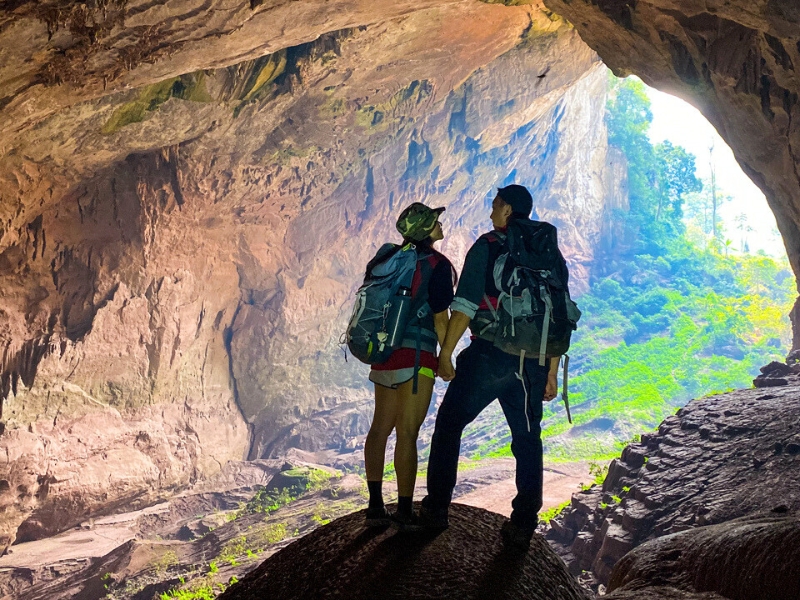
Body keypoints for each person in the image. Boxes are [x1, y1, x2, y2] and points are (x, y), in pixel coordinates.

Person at [420, 184, 561, 550]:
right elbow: (558, 315)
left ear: (509, 210)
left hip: (490, 355)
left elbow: (465, 305)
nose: (491, 211)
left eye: (496, 205)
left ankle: (435, 511)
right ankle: (524, 522)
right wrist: (550, 372)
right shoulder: (546, 249)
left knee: (449, 425)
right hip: (532, 362)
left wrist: (446, 353)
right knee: (528, 440)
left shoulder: (488, 245)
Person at [363, 203, 456, 531]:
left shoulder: (385, 260)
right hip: (417, 358)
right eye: (435, 222)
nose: (440, 225)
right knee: (407, 432)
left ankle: (375, 505)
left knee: (379, 428)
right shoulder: (437, 265)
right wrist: (446, 359)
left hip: (383, 354)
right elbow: (440, 319)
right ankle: (404, 510)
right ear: (427, 230)